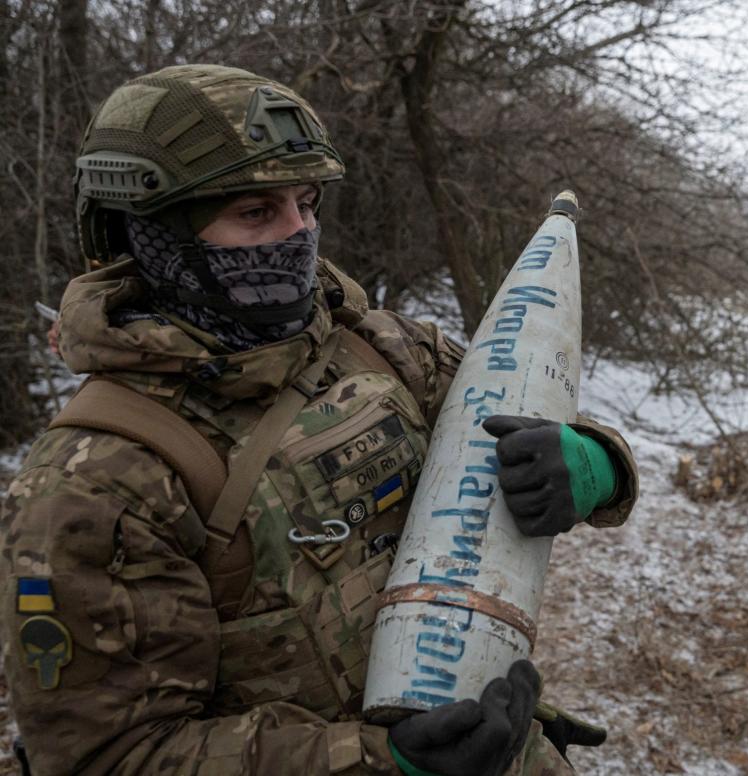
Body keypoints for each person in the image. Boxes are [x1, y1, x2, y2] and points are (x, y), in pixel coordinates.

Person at [0, 64, 638, 776]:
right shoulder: (98, 480)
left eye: (305, 203)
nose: (298, 233)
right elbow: (111, 756)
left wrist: (593, 465)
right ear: (151, 233)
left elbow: (527, 412)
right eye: (255, 213)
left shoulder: (384, 347)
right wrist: (379, 762)